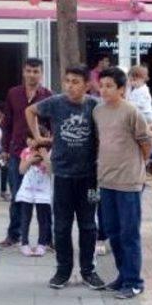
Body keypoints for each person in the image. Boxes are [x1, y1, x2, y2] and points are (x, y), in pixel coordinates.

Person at [26, 65, 105, 290]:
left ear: (87, 85)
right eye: (67, 80)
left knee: (89, 225)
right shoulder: (56, 102)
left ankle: (88, 270)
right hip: (62, 175)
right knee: (61, 226)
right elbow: (30, 111)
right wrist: (39, 137)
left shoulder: (94, 105)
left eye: (76, 81)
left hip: (89, 177)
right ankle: (63, 271)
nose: (70, 86)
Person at [94, 66, 152, 299]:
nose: (104, 90)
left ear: (121, 89)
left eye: (110, 86)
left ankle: (134, 281)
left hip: (129, 183)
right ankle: (122, 276)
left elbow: (146, 143)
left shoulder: (131, 112)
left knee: (129, 234)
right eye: (102, 85)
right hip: (106, 181)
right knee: (112, 231)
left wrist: (137, 166)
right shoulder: (98, 111)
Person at [0, 58, 51, 248]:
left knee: (45, 199)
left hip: (41, 154)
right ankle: (14, 234)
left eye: (36, 71)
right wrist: (5, 148)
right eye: (28, 71)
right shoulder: (14, 93)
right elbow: (7, 124)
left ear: (41, 73)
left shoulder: (48, 96)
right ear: (23, 72)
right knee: (18, 195)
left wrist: (47, 153)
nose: (32, 75)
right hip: (18, 152)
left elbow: (52, 126)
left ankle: (48, 238)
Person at [16, 136, 52, 256]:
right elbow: (21, 170)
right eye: (29, 138)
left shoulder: (50, 152)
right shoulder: (26, 152)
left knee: (43, 218)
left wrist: (45, 157)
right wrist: (30, 161)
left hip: (43, 190)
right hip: (28, 189)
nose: (30, 141)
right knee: (26, 217)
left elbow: (51, 171)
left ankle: (42, 244)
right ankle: (24, 243)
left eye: (33, 139)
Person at [126, 65, 152, 163]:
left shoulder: (144, 90)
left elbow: (138, 104)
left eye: (134, 80)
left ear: (143, 79)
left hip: (145, 115)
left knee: (147, 133)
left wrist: (130, 104)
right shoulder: (136, 90)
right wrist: (128, 87)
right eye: (131, 80)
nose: (133, 83)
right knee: (145, 134)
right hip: (140, 115)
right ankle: (151, 151)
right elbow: (128, 99)